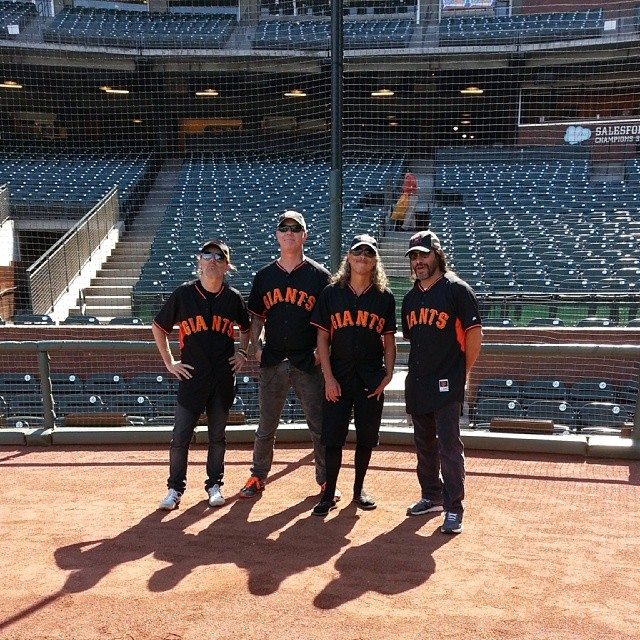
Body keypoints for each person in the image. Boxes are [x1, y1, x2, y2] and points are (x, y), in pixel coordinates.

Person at [240, 211, 334, 499]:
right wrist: (256, 346)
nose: (289, 232)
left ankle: (326, 480)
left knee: (319, 425)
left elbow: (330, 322)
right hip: (273, 360)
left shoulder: (320, 276)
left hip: (307, 361)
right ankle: (257, 476)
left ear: (305, 235)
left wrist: (320, 354)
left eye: (295, 228)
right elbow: (256, 317)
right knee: (266, 426)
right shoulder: (265, 276)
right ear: (277, 235)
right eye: (284, 228)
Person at [153, 239, 251, 510]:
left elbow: (247, 328)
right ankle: (174, 489)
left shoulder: (232, 298)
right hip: (191, 377)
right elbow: (158, 327)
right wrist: (170, 362)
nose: (212, 260)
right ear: (199, 261)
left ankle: (214, 485)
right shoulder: (184, 294)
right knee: (180, 437)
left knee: (217, 437)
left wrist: (243, 352)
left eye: (219, 257)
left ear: (227, 266)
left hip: (222, 378)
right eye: (207, 255)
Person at [401, 230, 482, 534]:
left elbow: (475, 336)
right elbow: (414, 340)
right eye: (414, 256)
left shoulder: (457, 290)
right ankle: (431, 496)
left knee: (448, 446)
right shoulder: (410, 298)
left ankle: (453, 507)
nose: (418, 261)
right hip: (418, 382)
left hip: (447, 381)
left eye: (424, 254)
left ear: (437, 254)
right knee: (424, 445)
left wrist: (462, 373)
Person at [310, 234, 397, 516]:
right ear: (348, 257)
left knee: (366, 438)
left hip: (371, 378)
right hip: (339, 376)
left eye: (369, 253)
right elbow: (322, 339)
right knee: (332, 438)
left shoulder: (384, 297)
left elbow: (389, 341)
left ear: (375, 261)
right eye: (358, 251)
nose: (362, 257)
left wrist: (388, 375)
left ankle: (358, 490)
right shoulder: (331, 293)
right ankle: (328, 494)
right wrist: (328, 378)